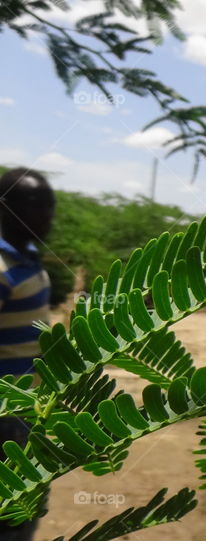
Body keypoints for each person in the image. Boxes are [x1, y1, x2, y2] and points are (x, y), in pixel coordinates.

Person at [0, 167, 55, 541]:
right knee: (12, 516)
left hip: (31, 410)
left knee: (27, 507)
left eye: (50, 206)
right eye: (35, 205)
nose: (46, 215)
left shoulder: (30, 258)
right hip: (6, 417)